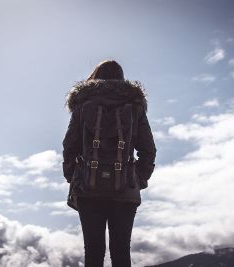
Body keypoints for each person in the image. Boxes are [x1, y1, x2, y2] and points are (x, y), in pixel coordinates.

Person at [62, 60, 157, 267]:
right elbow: (148, 150)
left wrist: (76, 177)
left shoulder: (82, 105)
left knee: (94, 252)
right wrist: (136, 179)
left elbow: (70, 147)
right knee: (121, 252)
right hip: (125, 190)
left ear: (95, 77)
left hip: (88, 187)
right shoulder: (135, 106)